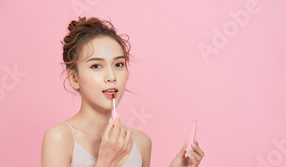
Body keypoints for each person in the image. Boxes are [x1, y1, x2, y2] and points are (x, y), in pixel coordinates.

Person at [41, 17, 205, 167]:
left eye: (118, 64)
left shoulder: (141, 142)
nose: (111, 77)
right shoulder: (60, 138)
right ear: (74, 78)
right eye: (96, 66)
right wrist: (105, 161)